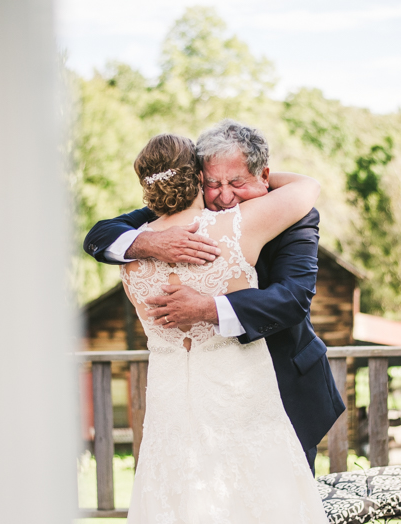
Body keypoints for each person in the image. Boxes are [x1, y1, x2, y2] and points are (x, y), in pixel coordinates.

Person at [84, 120, 345, 473]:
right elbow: (99, 235)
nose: (224, 196)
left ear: (263, 175)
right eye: (212, 184)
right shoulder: (185, 210)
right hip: (207, 394)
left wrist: (208, 308)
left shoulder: (295, 214)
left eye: (237, 182)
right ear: (197, 182)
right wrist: (148, 242)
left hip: (287, 382)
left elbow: (293, 298)